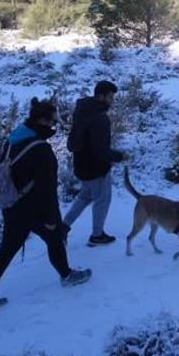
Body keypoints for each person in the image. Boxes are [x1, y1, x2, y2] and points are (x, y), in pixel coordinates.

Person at [0, 98, 91, 312]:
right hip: (31, 208)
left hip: (11, 202)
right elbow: (47, 191)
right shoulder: (41, 151)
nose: (54, 124)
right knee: (46, 237)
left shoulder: (12, 138)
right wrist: (51, 219)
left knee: (38, 241)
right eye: (52, 119)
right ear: (42, 119)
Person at [63, 80, 126, 246]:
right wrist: (120, 156)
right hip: (96, 168)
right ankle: (97, 235)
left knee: (85, 196)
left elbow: (77, 141)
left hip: (81, 165)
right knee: (102, 200)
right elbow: (100, 150)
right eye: (111, 96)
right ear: (101, 96)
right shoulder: (100, 118)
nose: (113, 100)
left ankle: (63, 227)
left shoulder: (82, 110)